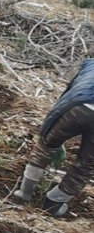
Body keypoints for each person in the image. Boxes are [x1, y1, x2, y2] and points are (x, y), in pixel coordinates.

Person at [12, 58, 94, 217]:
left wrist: (51, 132)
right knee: (87, 165)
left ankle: (24, 193)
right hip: (82, 104)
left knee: (46, 146)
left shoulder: (89, 64)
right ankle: (54, 203)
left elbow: (68, 94)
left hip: (76, 106)